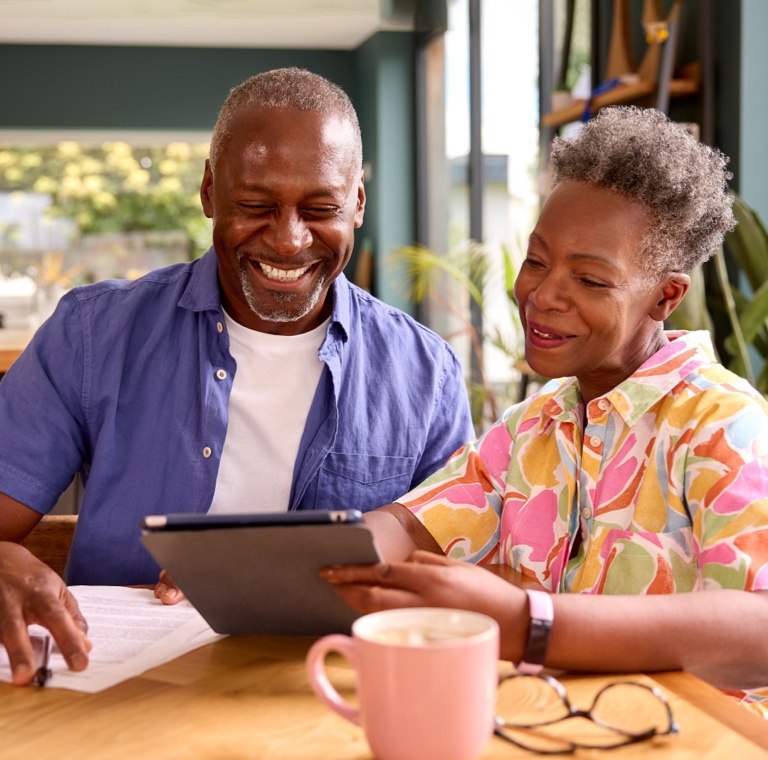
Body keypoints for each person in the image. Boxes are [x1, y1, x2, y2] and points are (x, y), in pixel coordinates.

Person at [0, 67, 473, 684]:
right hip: (118, 694)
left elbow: (461, 580)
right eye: (255, 206)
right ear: (209, 193)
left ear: (357, 202)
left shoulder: (425, 375)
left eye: (321, 208)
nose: (288, 240)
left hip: (323, 694)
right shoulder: (91, 335)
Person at [324, 106, 768, 713]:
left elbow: (761, 629)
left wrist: (530, 622)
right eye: (536, 260)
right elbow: (408, 527)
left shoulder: (725, 426)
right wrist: (278, 567)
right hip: (559, 730)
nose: (542, 294)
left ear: (666, 296)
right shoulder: (531, 427)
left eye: (590, 280)